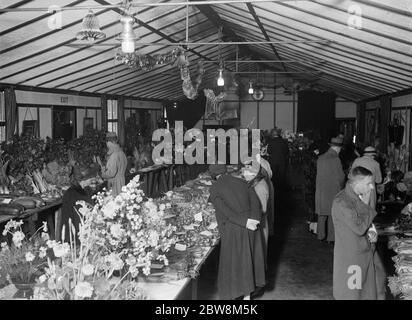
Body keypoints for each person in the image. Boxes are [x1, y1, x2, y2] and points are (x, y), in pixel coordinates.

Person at [208, 164, 266, 300]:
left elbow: (225, 211)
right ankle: (247, 297)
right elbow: (256, 204)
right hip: (252, 227)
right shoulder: (243, 182)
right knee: (248, 263)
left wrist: (244, 222)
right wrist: (254, 221)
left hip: (234, 229)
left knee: (235, 265)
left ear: (213, 176)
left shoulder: (215, 187)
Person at [332, 166, 386, 300]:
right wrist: (366, 204)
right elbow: (360, 227)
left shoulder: (356, 197)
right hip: (352, 258)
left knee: (371, 289)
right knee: (353, 294)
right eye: (368, 183)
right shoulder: (341, 202)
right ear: (357, 183)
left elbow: (364, 226)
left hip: (365, 251)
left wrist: (371, 231)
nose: (372, 188)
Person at [315, 136, 345, 243]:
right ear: (337, 148)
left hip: (321, 191)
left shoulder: (321, 158)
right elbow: (341, 177)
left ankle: (320, 236)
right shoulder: (336, 159)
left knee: (322, 214)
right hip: (332, 191)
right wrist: (342, 187)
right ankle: (331, 238)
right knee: (332, 214)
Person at [58, 165, 97, 243]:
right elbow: (78, 219)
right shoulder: (73, 194)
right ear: (83, 179)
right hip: (74, 234)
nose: (92, 180)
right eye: (90, 178)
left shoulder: (82, 189)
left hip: (79, 229)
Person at [97, 132, 128, 197]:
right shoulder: (121, 152)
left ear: (108, 143)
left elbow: (111, 173)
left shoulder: (114, 155)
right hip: (122, 181)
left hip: (115, 184)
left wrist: (102, 171)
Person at [267, 127, 289, 210]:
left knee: (274, 178)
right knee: (281, 178)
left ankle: (274, 194)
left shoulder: (271, 142)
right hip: (281, 162)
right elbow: (287, 152)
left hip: (273, 163)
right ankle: (282, 196)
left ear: (273, 134)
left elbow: (268, 151)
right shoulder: (283, 142)